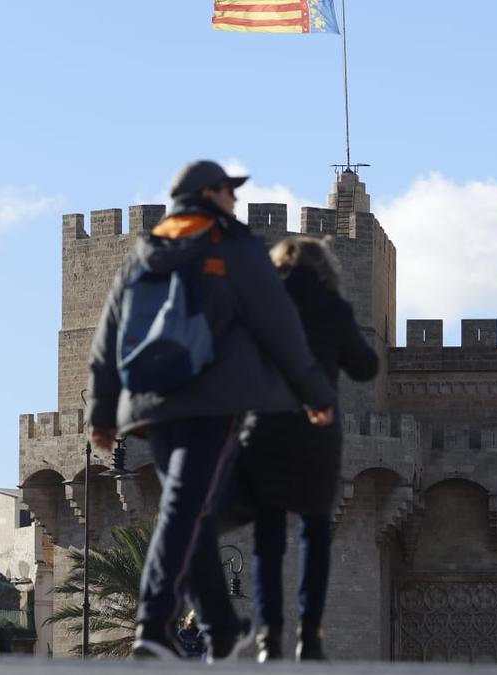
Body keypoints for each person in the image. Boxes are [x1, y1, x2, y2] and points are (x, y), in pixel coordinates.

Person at [86, 160, 337, 661]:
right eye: (229, 190)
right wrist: (314, 390)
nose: (236, 200)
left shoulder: (148, 248)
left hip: (151, 403)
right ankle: (154, 624)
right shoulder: (232, 246)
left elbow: (109, 331)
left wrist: (103, 409)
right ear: (209, 193)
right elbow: (279, 324)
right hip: (211, 399)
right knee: (185, 505)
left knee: (190, 508)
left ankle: (220, 626)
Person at [238, 235, 379, 662]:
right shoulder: (333, 309)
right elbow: (366, 366)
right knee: (315, 532)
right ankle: (310, 637)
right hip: (317, 431)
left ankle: (268, 638)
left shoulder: (262, 304)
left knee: (267, 537)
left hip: (265, 427)